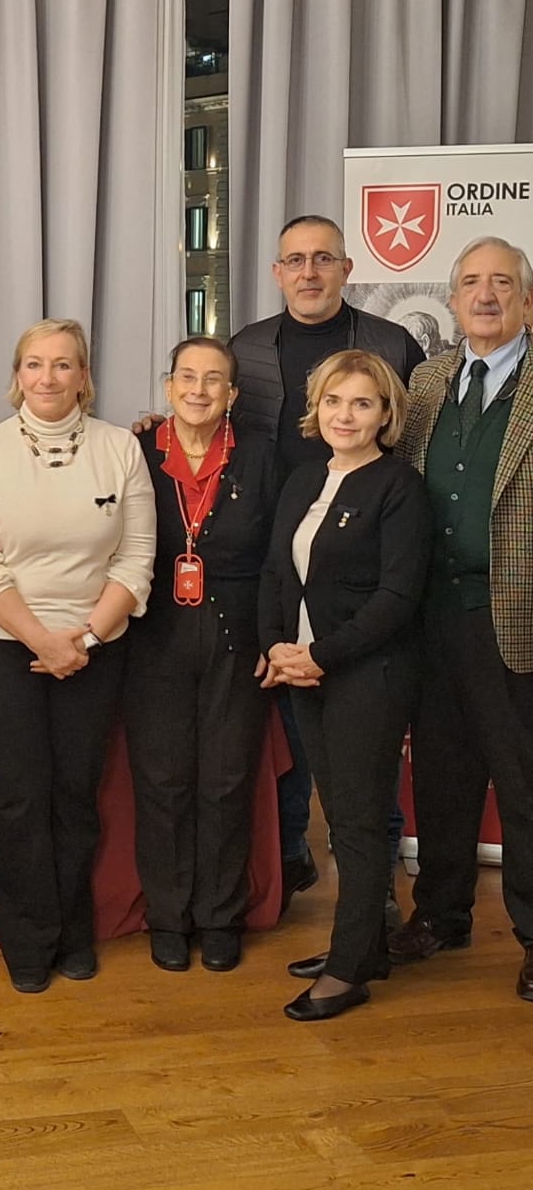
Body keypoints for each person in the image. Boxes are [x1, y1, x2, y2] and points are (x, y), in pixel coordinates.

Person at [0, 318, 156, 994]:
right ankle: (27, 939)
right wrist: (42, 640)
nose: (48, 377)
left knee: (76, 796)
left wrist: (86, 639)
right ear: (18, 375)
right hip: (5, 648)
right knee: (20, 798)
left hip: (96, 649)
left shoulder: (119, 449)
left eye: (63, 364)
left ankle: (73, 933)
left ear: (83, 377)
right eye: (35, 364)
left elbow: (137, 559)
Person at [231, 214, 426, 918]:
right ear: (277, 273)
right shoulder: (247, 347)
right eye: (295, 260)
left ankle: (375, 904)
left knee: (365, 766)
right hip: (281, 559)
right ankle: (291, 869)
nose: (308, 272)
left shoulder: (393, 343)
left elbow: (415, 445)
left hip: (365, 569)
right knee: (293, 740)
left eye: (322, 259)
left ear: (346, 269)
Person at [258, 349, 432, 1020]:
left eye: (362, 403)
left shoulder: (399, 487)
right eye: (334, 401)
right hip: (304, 669)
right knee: (338, 817)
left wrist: (320, 656)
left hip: (368, 676)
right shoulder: (304, 478)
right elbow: (277, 571)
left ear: (386, 414)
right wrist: (277, 646)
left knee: (358, 825)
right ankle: (363, 946)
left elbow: (397, 598)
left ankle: (350, 968)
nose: (345, 415)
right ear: (317, 407)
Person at [387, 237, 533, 1004]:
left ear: (526, 301)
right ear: (452, 300)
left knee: (524, 785)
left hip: (515, 618)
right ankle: (441, 916)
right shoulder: (425, 380)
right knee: (441, 777)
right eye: (472, 282)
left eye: (502, 282)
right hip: (431, 616)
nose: (486, 294)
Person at [125, 335, 280, 974]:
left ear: (232, 394)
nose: (198, 389)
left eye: (213, 379)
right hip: (152, 635)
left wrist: (273, 635)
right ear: (168, 387)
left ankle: (220, 916)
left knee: (226, 780)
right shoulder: (135, 451)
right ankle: (168, 917)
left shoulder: (262, 457)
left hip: (236, 637)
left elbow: (279, 558)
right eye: (187, 377)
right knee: (161, 782)